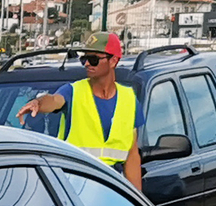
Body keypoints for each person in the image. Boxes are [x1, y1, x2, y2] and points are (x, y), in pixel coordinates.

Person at [20, 32, 142, 191]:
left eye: (93, 59)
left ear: (113, 61)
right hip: (75, 185)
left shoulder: (129, 99)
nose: (86, 64)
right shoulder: (73, 91)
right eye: (84, 59)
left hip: (112, 187)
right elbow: (55, 101)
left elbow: (132, 156)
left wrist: (137, 199)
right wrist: (38, 102)